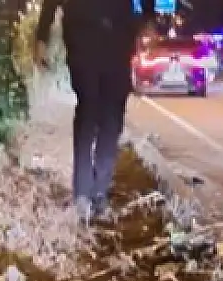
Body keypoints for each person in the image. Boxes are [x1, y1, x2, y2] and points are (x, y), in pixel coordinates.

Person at [36, 0, 158, 220]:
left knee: (111, 119)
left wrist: (148, 18)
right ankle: (83, 192)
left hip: (117, 38)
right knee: (88, 111)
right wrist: (42, 36)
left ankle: (98, 191)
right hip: (84, 37)